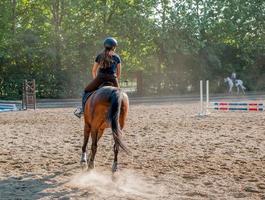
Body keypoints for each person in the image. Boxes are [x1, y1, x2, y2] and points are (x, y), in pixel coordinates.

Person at [74, 37, 121, 118]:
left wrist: (96, 80)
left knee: (86, 91)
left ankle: (83, 110)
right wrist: (115, 79)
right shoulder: (117, 57)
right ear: (114, 47)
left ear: (105, 46)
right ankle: (120, 112)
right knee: (119, 95)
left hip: (100, 78)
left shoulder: (99, 56)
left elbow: (93, 71)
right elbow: (118, 73)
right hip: (113, 79)